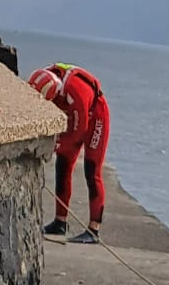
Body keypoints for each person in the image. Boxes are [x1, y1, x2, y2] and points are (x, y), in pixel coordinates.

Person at [28, 63, 111, 243]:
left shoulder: (75, 92)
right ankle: (60, 222)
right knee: (62, 165)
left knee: (92, 170)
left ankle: (93, 230)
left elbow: (77, 133)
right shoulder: (42, 80)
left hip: (94, 115)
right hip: (73, 114)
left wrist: (55, 146)